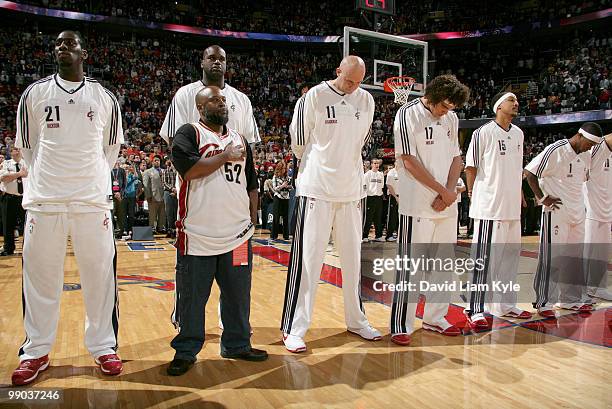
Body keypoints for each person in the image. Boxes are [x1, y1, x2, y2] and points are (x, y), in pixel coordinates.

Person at [12, 30, 123, 386]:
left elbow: (111, 151)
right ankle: (36, 351)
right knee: (40, 279)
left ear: (84, 52)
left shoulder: (105, 97)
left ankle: (104, 345)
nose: (63, 48)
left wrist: (88, 180)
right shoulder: (34, 93)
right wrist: (50, 180)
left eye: (70, 44)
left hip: (91, 200)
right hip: (46, 200)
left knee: (100, 277)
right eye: (58, 44)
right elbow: (28, 150)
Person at [280, 55, 381, 353]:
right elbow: (298, 142)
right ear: (338, 71)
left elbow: (359, 141)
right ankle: (294, 328)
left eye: (359, 82)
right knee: (308, 262)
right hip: (317, 189)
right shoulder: (313, 97)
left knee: (352, 262)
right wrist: (320, 166)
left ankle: (356, 320)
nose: (353, 87)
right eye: (349, 80)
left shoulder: (366, 101)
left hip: (351, 192)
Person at [167, 86, 266, 376]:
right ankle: (186, 351)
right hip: (198, 235)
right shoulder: (189, 134)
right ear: (200, 107)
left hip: (237, 236)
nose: (221, 103)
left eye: (223, 100)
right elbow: (190, 170)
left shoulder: (240, 139)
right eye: (214, 100)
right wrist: (224, 156)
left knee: (238, 294)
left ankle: (237, 344)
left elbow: (251, 183)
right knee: (192, 299)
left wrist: (252, 217)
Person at [390, 74, 470, 346]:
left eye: (451, 108)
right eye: (444, 106)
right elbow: (409, 161)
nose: (447, 112)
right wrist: (441, 190)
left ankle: (436, 317)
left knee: (443, 265)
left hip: (446, 205)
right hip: (417, 203)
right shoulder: (406, 114)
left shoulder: (451, 118)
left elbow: (457, 158)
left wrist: (448, 192)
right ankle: (402, 323)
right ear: (433, 96)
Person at [464, 92, 532, 331]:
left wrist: (520, 193)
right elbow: (470, 166)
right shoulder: (483, 132)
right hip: (489, 208)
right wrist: (472, 194)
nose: (516, 103)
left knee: (510, 261)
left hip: (512, 207)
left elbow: (516, 168)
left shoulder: (518, 133)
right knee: (484, 262)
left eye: (516, 100)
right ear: (497, 106)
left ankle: (505, 305)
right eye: (511, 100)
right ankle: (475, 308)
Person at [524, 122, 602, 317]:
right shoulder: (556, 149)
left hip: (577, 213)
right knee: (551, 258)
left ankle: (570, 300)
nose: (590, 148)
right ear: (580, 136)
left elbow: (580, 182)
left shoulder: (585, 156)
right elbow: (530, 173)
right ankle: (544, 302)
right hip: (556, 213)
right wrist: (542, 198)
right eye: (589, 144)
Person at [160, 45, 260, 147]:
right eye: (212, 58)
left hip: (234, 161)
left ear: (226, 65)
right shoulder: (185, 93)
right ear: (202, 63)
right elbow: (174, 137)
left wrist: (243, 162)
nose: (217, 62)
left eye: (222, 59)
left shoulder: (242, 99)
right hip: (196, 161)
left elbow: (250, 141)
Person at [584, 132, 612, 300]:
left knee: (602, 252)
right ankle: (582, 289)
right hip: (591, 209)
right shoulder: (595, 147)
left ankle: (599, 287)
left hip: (607, 210)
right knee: (588, 251)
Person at [0, 147, 27, 256]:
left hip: (24, 198)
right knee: (8, 224)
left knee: (27, 224)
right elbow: (3, 178)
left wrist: (12, 176)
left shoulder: (27, 163)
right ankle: (8, 247)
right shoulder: (6, 163)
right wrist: (19, 174)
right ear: (10, 152)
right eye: (15, 149)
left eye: (19, 149)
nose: (18, 150)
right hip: (9, 198)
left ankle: (28, 248)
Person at [362, 158, 385, 242]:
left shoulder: (381, 174)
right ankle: (364, 236)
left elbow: (382, 186)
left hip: (379, 197)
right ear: (371, 164)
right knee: (368, 217)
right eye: (375, 163)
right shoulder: (367, 174)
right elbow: (364, 187)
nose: (377, 165)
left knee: (378, 217)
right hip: (370, 198)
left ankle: (378, 236)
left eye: (378, 163)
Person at [142, 156, 166, 233]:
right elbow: (146, 185)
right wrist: (148, 196)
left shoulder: (164, 171)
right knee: (152, 214)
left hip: (163, 195)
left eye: (158, 160)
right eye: (155, 160)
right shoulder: (147, 172)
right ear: (152, 162)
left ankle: (161, 227)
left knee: (162, 213)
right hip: (153, 196)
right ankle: (152, 228)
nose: (157, 162)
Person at [271, 160, 290, 240]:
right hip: (278, 198)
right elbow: (275, 188)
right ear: (279, 168)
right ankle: (274, 236)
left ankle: (286, 236)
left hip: (286, 198)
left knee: (286, 218)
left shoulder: (287, 177)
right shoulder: (275, 177)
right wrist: (282, 186)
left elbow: (290, 186)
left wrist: (289, 187)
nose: (285, 170)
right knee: (276, 217)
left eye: (285, 168)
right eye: (283, 168)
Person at [162, 159, 178, 238]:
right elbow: (164, 182)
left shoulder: (179, 171)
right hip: (168, 192)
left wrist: (176, 191)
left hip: (177, 192)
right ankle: (170, 230)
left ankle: (176, 230)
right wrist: (172, 189)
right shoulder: (165, 171)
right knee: (169, 212)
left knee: (177, 212)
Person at [385, 161, 399, 242]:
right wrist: (396, 197)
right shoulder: (391, 172)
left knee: (400, 216)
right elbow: (389, 185)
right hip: (393, 196)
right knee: (392, 216)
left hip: (402, 197)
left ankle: (398, 233)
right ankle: (389, 235)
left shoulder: (402, 171)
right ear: (395, 163)